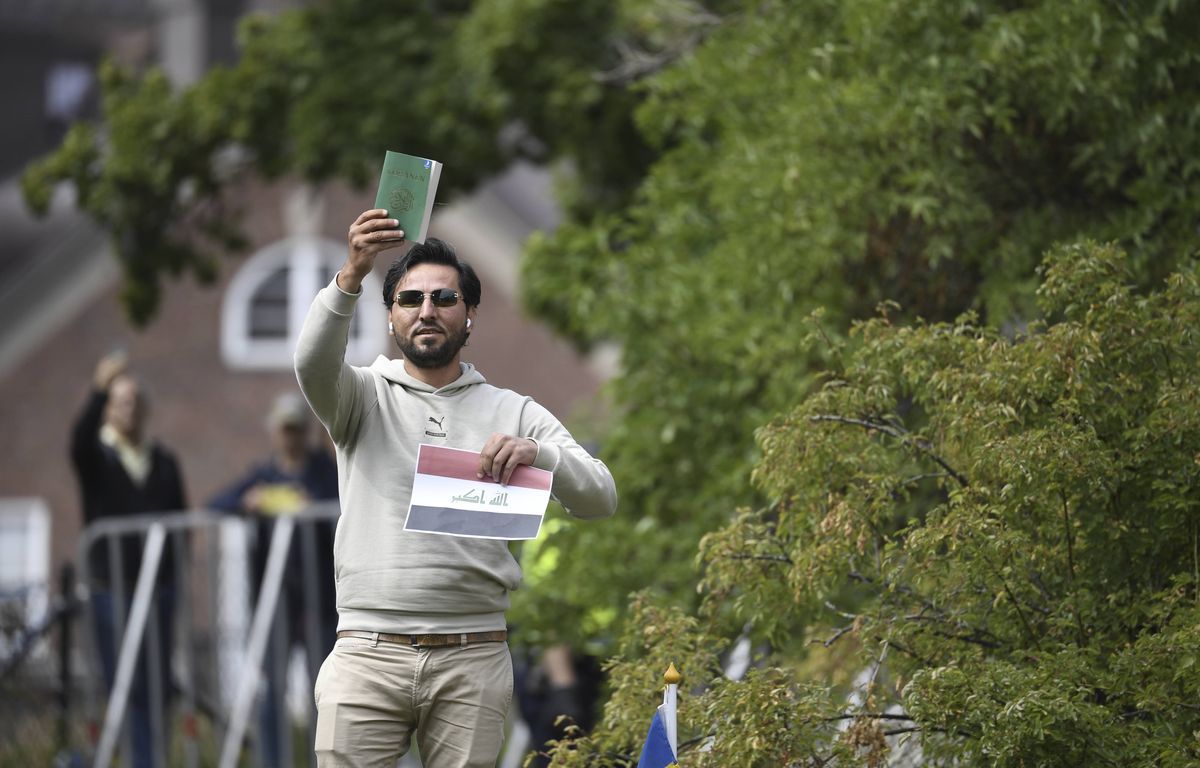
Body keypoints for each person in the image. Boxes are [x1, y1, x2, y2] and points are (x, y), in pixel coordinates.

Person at [296, 210, 618, 768]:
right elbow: (311, 364)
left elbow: (600, 496)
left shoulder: (512, 409)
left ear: (469, 316)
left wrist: (539, 454)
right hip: (367, 652)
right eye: (410, 299)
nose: (427, 310)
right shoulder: (362, 395)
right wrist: (351, 273)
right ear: (391, 316)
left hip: (474, 656)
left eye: (444, 299)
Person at [207, 391, 339, 767]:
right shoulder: (263, 475)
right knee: (270, 692)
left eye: (297, 429)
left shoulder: (325, 472)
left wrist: (314, 505)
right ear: (274, 432)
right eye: (285, 429)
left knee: (325, 692)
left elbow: (348, 498)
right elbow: (215, 504)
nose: (291, 437)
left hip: (321, 602)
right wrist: (249, 501)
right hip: (275, 602)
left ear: (308, 432)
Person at [71, 352, 187, 768]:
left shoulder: (164, 460)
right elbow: (78, 442)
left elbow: (180, 521)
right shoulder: (97, 457)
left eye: (135, 400)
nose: (129, 408)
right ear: (107, 409)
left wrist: (174, 577)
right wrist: (99, 386)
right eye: (120, 401)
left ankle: (152, 758)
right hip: (112, 591)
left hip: (158, 590)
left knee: (157, 687)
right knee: (126, 685)